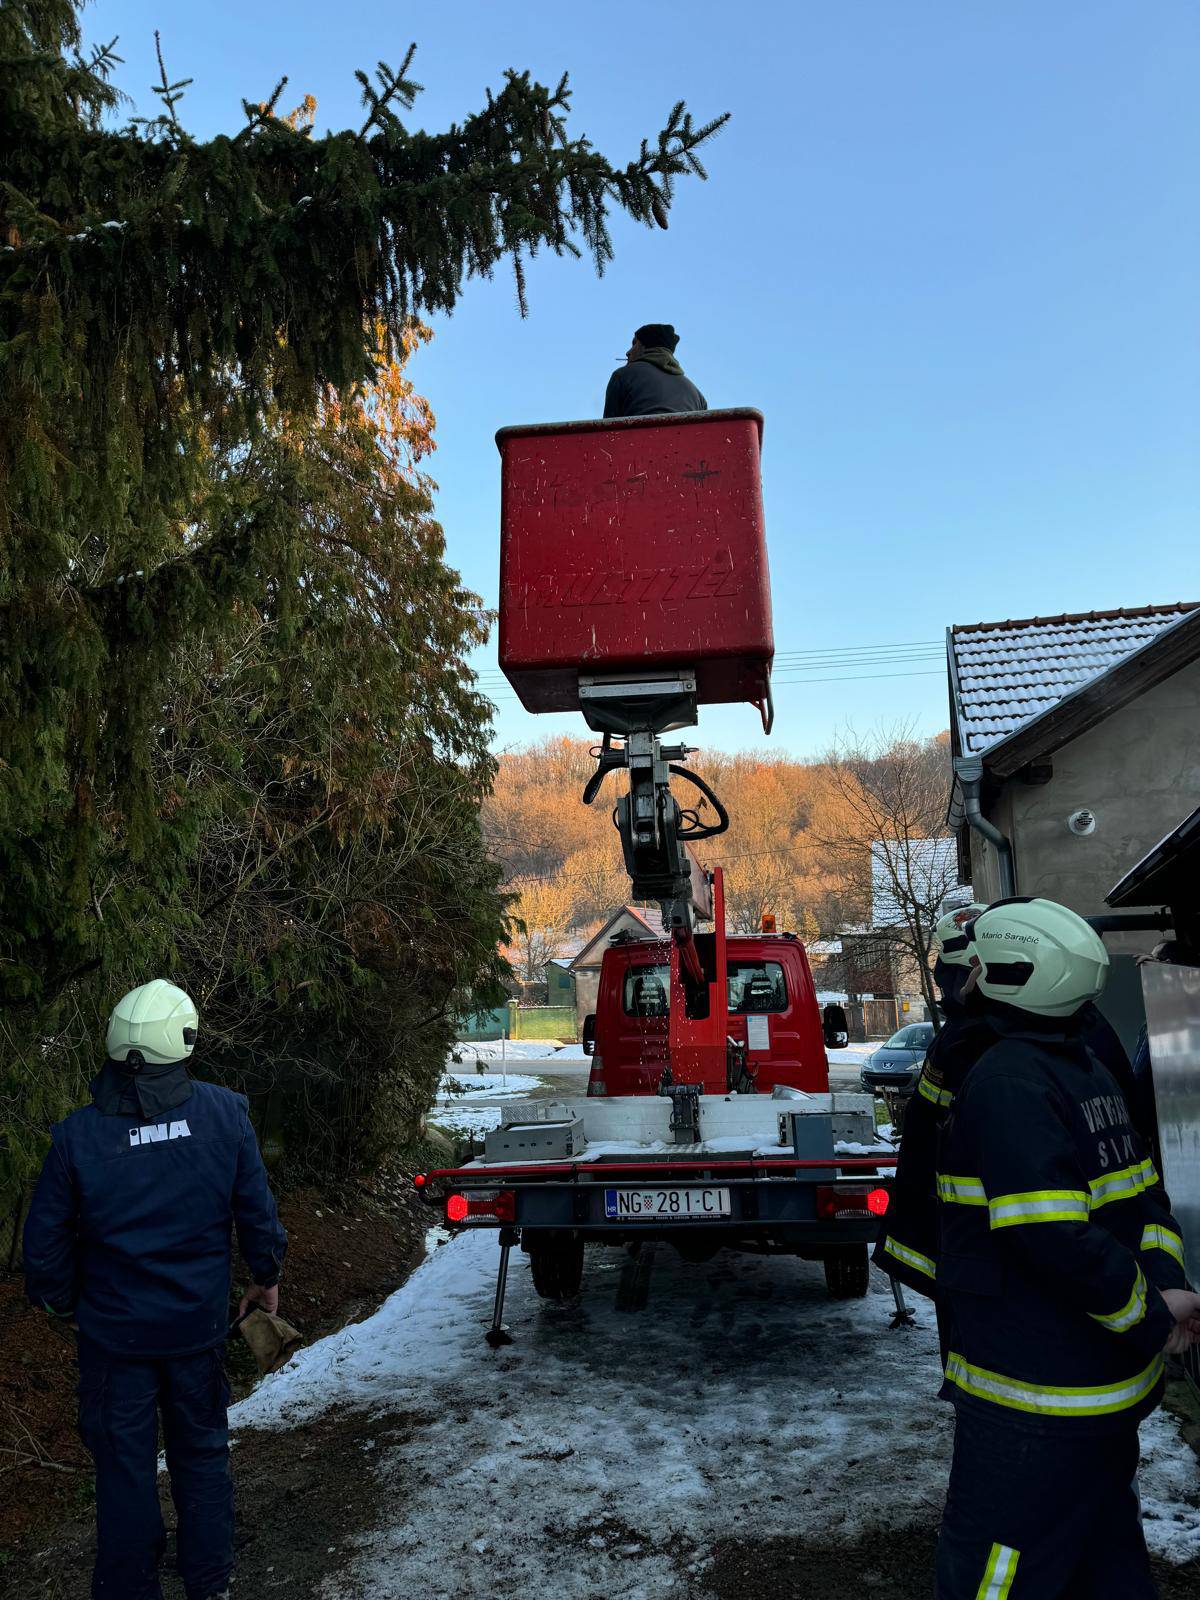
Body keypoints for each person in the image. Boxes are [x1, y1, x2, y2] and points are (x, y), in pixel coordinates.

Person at [933, 899, 1200, 1599]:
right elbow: (1149, 1207)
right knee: (1102, 1561)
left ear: (1015, 976)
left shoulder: (1006, 1082)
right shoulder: (1089, 1071)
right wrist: (1163, 1290)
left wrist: (1149, 1315)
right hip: (1103, 1396)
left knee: (997, 1570)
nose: (967, 976)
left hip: (1035, 1399)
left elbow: (1052, 1239)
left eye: (982, 965)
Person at [23, 979, 287, 1600]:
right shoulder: (226, 1115)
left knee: (123, 1475)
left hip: (115, 1344)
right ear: (184, 1041)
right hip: (195, 1335)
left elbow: (45, 1251)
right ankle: (209, 1584)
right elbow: (257, 1215)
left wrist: (65, 1304)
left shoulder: (76, 1138)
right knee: (201, 1460)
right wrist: (265, 1280)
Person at [873, 902, 990, 1357]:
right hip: (977, 1250)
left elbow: (927, 1133)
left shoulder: (966, 1042)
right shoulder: (1079, 1033)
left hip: (976, 1250)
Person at [603, 323, 707, 418]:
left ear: (644, 346)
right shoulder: (697, 395)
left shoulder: (622, 375)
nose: (628, 352)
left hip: (639, 438)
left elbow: (608, 431)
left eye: (634, 344)